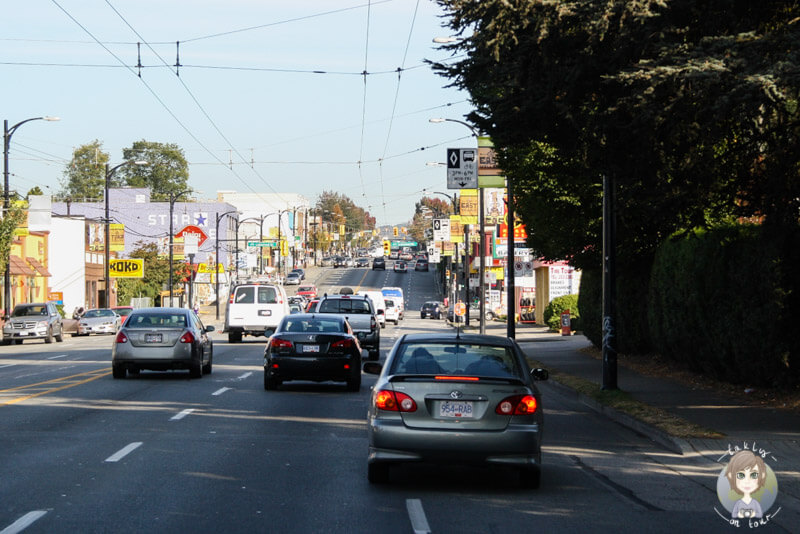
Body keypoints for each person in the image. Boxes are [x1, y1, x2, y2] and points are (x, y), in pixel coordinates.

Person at [725, 450, 767, 519]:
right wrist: (739, 514)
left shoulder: (755, 503)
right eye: (741, 475)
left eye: (754, 475)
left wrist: (753, 514)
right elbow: (734, 515)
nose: (747, 481)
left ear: (762, 475)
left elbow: (759, 514)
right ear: (731, 476)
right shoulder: (738, 503)